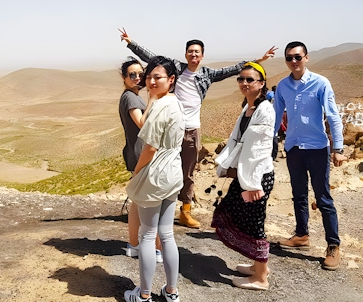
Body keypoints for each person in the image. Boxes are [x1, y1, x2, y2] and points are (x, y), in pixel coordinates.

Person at [120, 27, 276, 228]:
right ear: (185, 54)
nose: (193, 54)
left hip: (192, 129)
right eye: (190, 51)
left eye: (197, 52)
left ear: (202, 55)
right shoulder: (176, 68)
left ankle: (185, 211)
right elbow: (152, 58)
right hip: (170, 128)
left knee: (188, 171)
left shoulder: (207, 74)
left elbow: (233, 69)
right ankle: (156, 207)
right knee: (162, 166)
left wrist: (259, 61)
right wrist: (130, 42)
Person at [273, 41, 346, 270]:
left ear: (306, 58)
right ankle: (302, 235)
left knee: (323, 198)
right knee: (298, 195)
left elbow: (333, 115)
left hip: (317, 148)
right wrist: (270, 142)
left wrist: (338, 149)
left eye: (297, 57)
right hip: (294, 147)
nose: (293, 62)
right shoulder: (283, 86)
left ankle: (333, 245)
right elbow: (276, 116)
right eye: (289, 58)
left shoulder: (320, 83)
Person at [124, 56, 184, 302]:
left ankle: (145, 295)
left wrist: (138, 172)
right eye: (149, 77)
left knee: (148, 235)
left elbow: (149, 148)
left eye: (157, 77)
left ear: (171, 79)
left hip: (157, 173)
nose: (150, 81)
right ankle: (172, 292)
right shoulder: (174, 102)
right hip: (173, 171)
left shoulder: (159, 106)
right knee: (167, 234)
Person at [212, 62, 275, 291]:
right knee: (241, 216)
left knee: (255, 223)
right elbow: (237, 141)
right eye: (241, 79)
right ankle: (259, 266)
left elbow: (256, 152)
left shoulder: (265, 110)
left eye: (250, 79)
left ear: (261, 84)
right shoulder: (248, 108)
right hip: (247, 176)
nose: (244, 83)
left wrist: (250, 184)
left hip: (255, 179)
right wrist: (224, 164)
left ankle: (261, 278)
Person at [117, 57, 163, 264]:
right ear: (124, 78)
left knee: (137, 202)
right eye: (132, 75)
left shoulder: (132, 95)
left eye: (140, 74)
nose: (137, 78)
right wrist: (153, 96)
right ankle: (156, 248)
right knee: (151, 202)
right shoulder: (131, 98)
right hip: (141, 154)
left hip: (136, 153)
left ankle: (135, 245)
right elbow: (142, 123)